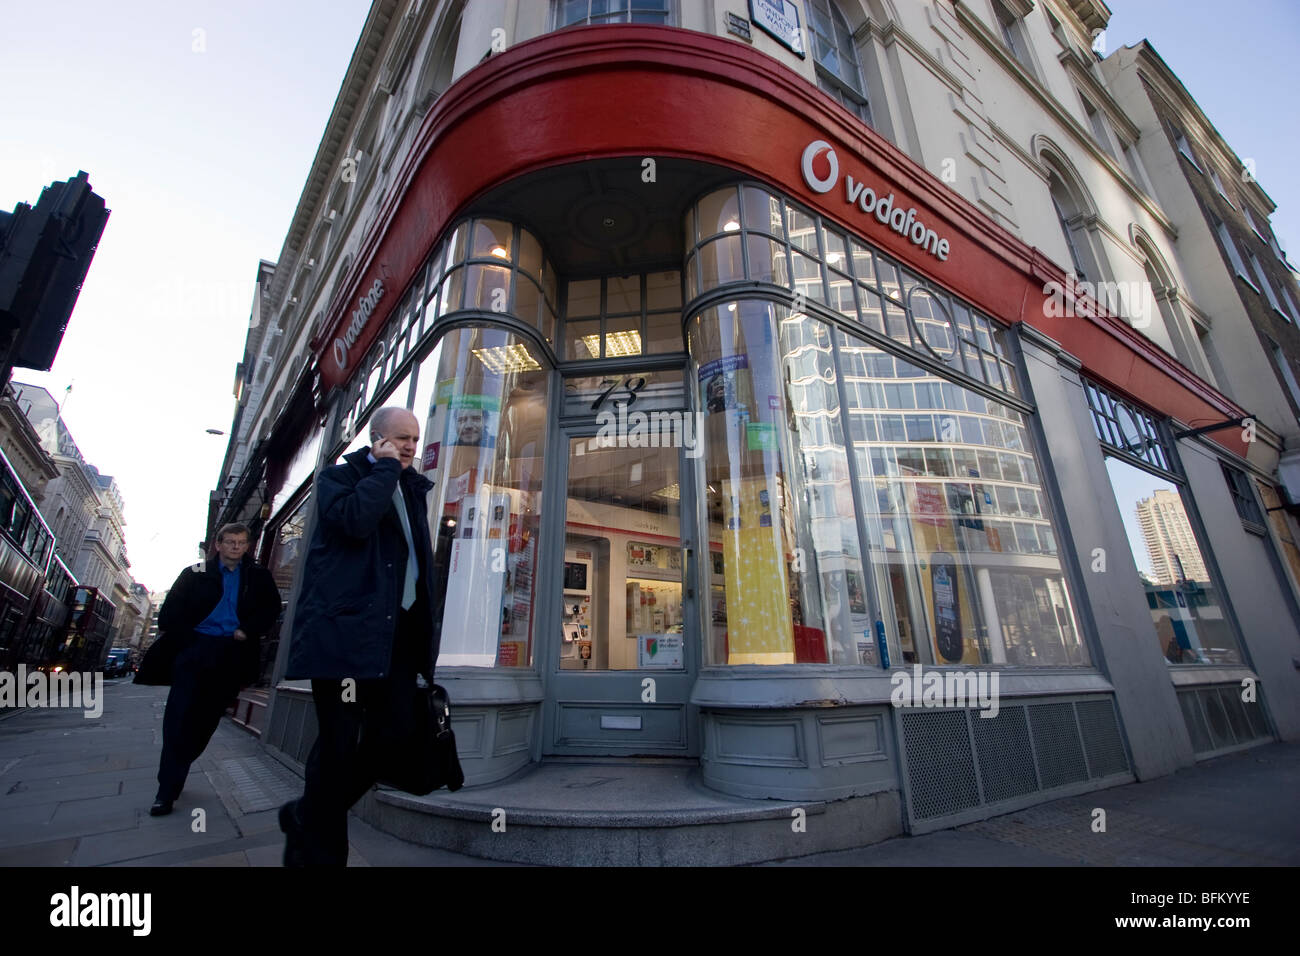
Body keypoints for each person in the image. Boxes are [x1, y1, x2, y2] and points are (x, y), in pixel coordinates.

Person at [278, 406, 441, 866]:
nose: (410, 446)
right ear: (378, 440)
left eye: (414, 439)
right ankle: (323, 857)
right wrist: (384, 469)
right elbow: (354, 521)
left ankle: (306, 815)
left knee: (394, 736)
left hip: (398, 640)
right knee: (337, 745)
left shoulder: (412, 489)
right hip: (346, 638)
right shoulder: (339, 479)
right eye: (401, 438)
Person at [137, 523, 281, 816]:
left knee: (206, 721)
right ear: (218, 544)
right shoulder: (195, 573)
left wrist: (247, 630)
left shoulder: (258, 576)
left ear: (248, 546)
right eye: (230, 542)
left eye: (241, 542)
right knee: (178, 719)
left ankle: (182, 760)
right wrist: (190, 639)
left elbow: (271, 610)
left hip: (232, 654)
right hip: (195, 650)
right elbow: (169, 614)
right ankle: (166, 790)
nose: (236, 547)